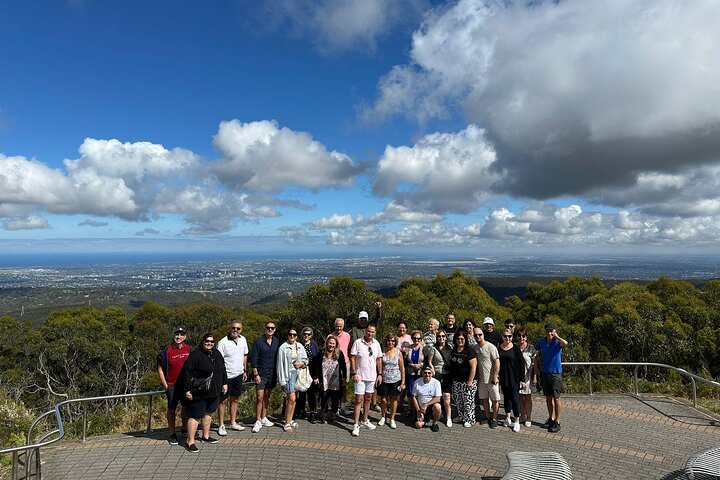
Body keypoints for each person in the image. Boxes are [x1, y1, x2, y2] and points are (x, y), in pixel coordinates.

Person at [181, 333, 228, 453]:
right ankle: (190, 441)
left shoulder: (216, 353)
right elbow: (187, 372)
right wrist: (187, 390)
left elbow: (222, 369)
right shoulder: (195, 355)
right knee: (195, 416)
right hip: (199, 392)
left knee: (209, 413)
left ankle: (205, 436)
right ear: (202, 342)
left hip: (214, 391)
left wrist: (224, 383)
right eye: (207, 341)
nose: (209, 343)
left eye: (212, 342)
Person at [156, 327, 193, 445]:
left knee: (186, 407)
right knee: (171, 409)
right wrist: (165, 385)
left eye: (181, 335)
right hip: (172, 386)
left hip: (186, 386)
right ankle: (172, 433)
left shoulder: (189, 349)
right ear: (174, 336)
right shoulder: (167, 351)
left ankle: (184, 428)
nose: (179, 337)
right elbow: (160, 368)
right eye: (177, 334)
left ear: (185, 337)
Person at [215, 321, 248, 436]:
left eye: (238, 328)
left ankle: (233, 422)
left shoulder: (243, 339)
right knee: (223, 401)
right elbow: (218, 362)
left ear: (241, 330)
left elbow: (245, 355)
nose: (235, 330)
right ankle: (221, 425)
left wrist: (244, 370)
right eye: (233, 328)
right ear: (230, 329)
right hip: (226, 376)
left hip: (238, 375)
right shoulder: (223, 343)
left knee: (235, 399)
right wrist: (222, 379)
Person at [349, 324, 382, 437]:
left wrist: (380, 374)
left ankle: (365, 420)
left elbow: (378, 359)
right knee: (359, 400)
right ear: (365, 331)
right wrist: (354, 373)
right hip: (360, 376)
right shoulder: (358, 342)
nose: (370, 333)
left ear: (375, 333)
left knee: (368, 398)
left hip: (371, 376)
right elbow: (352, 357)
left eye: (372, 332)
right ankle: (355, 425)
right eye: (368, 331)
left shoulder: (376, 343)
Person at [535, 322, 568, 433]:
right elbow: (535, 350)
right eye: (548, 331)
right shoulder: (542, 341)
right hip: (545, 372)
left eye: (551, 330)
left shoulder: (558, 342)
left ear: (554, 331)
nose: (549, 333)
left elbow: (566, 343)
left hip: (556, 374)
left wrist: (557, 336)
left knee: (556, 398)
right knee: (548, 398)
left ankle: (557, 421)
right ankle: (551, 418)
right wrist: (538, 363)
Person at [249, 321, 280, 433]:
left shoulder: (276, 341)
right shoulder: (258, 342)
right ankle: (257, 420)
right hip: (261, 374)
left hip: (272, 373)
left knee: (267, 396)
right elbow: (253, 359)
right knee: (259, 397)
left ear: (275, 329)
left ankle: (264, 417)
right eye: (268, 327)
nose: (270, 329)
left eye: (272, 328)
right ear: (265, 328)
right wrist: (256, 374)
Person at [277, 327, 309, 432]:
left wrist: (302, 363)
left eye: (294, 335)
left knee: (294, 398)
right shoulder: (283, 347)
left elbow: (306, 359)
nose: (292, 336)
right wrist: (282, 380)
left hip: (297, 374)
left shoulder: (300, 346)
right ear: (287, 335)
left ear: (296, 336)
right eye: (290, 334)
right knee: (291, 399)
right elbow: (279, 365)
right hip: (288, 375)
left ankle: (290, 419)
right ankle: (286, 422)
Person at [311, 335, 346, 424]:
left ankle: (334, 414)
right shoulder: (322, 353)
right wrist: (316, 377)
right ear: (327, 343)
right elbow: (316, 366)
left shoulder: (339, 353)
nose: (331, 345)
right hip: (324, 379)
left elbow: (343, 366)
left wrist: (345, 378)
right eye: (330, 343)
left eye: (333, 343)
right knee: (324, 397)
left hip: (336, 380)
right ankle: (325, 414)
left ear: (336, 344)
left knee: (335, 398)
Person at [498, 328, 525, 432]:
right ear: (502, 337)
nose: (507, 338)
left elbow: (522, 364)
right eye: (505, 336)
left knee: (515, 399)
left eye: (509, 336)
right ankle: (508, 417)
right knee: (506, 398)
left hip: (514, 378)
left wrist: (522, 379)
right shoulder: (499, 347)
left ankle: (516, 420)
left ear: (512, 337)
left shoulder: (516, 348)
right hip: (504, 377)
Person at [449, 330, 477, 428]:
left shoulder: (469, 351)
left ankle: (469, 419)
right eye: (458, 339)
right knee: (458, 400)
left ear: (465, 339)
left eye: (462, 339)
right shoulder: (454, 349)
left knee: (468, 401)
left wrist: (470, 381)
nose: (460, 341)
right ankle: (461, 416)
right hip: (457, 380)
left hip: (467, 381)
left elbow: (474, 367)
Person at [474, 327, 501, 428]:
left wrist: (495, 376)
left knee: (495, 399)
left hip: (491, 379)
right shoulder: (475, 348)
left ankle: (494, 418)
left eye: (480, 334)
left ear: (483, 335)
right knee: (484, 399)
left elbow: (497, 362)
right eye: (475, 335)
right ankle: (487, 416)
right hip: (481, 379)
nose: (478, 336)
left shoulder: (491, 347)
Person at [377, 333, 405, 428]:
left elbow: (402, 368)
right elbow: (379, 364)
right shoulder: (382, 351)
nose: (390, 342)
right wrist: (379, 375)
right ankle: (383, 416)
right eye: (389, 340)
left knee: (394, 399)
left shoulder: (398, 352)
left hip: (395, 379)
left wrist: (403, 382)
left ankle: (392, 418)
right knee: (383, 399)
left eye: (393, 341)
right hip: (384, 379)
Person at [328, 317, 351, 414]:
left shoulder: (347, 336)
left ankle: (343, 406)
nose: (339, 328)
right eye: (337, 326)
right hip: (333, 364)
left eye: (340, 326)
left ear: (343, 326)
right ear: (334, 326)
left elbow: (349, 349)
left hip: (345, 363)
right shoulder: (330, 336)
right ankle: (334, 407)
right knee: (332, 386)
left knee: (344, 385)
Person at [296, 326, 320, 422]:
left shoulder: (313, 344)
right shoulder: (298, 344)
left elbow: (317, 359)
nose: (306, 336)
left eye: (308, 334)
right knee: (301, 392)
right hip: (301, 371)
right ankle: (302, 411)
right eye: (305, 334)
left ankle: (312, 412)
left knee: (311, 393)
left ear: (311, 336)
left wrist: (317, 375)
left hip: (312, 371)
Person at [516, 327, 537, 427]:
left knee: (528, 397)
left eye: (523, 336)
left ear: (526, 337)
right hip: (518, 377)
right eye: (519, 336)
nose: (521, 338)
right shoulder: (515, 347)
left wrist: (535, 377)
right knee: (520, 397)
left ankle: (528, 417)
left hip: (528, 376)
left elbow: (536, 364)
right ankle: (522, 415)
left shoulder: (531, 348)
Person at [432, 328, 453, 427]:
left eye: (443, 336)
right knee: (437, 396)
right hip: (437, 374)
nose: (441, 338)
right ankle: (437, 414)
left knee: (447, 397)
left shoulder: (450, 348)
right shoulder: (433, 348)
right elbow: (429, 362)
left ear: (446, 338)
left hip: (447, 374)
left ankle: (448, 417)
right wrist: (432, 370)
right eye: (439, 336)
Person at [411, 366, 442, 432]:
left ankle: (434, 423)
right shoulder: (417, 382)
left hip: (431, 406)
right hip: (420, 407)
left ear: (432, 374)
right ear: (422, 373)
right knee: (418, 425)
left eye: (429, 373)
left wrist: (426, 405)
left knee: (438, 407)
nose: (427, 375)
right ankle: (426, 420)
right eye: (425, 373)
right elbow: (414, 397)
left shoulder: (436, 382)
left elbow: (438, 398)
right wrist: (418, 411)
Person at [405, 330, 426, 400]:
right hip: (411, 373)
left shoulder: (424, 348)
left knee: (420, 392)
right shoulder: (408, 348)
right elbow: (405, 361)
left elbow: (427, 360)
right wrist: (411, 365)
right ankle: (411, 408)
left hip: (421, 373)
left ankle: (419, 409)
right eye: (414, 338)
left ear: (421, 339)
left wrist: (420, 365)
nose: (416, 340)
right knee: (411, 392)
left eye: (418, 338)